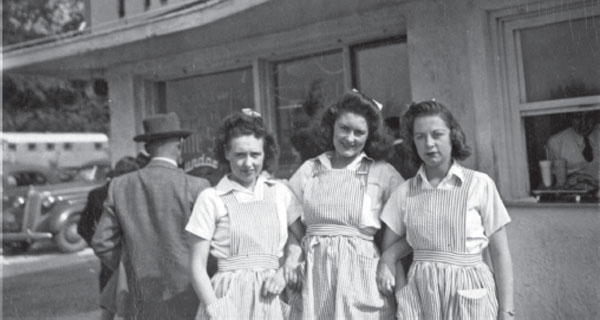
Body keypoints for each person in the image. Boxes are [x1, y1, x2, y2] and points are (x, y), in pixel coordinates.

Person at [378, 100, 514, 319]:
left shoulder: (480, 184)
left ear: (453, 136)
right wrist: (404, 299)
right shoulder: (404, 192)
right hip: (421, 300)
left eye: (437, 134)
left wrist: (506, 311)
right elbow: (390, 252)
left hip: (470, 297)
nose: (429, 144)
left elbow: (500, 253)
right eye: (420, 137)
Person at [287, 90, 403, 320]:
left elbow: (415, 223)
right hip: (314, 276)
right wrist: (293, 253)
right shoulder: (310, 169)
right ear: (332, 127)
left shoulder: (381, 172)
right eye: (344, 128)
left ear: (370, 136)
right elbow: (288, 222)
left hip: (362, 277)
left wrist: (390, 256)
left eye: (359, 132)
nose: (350, 138)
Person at [92, 112, 211, 319]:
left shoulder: (120, 186)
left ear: (147, 148)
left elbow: (102, 241)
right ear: (179, 145)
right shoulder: (196, 186)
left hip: (140, 294)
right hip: (188, 293)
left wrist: (130, 268)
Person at [187, 109, 304, 319]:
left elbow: (301, 237)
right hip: (227, 301)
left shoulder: (280, 192)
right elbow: (197, 266)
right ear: (226, 153)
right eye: (240, 155)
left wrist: (285, 269)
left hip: (274, 297)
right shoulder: (211, 198)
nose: (248, 163)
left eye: (255, 154)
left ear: (265, 153)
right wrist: (217, 309)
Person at [77, 156, 140, 320]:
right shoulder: (102, 195)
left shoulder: (98, 193)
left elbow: (83, 227)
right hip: (118, 256)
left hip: (110, 255)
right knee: (121, 306)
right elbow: (83, 226)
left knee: (112, 308)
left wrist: (101, 246)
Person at [547, 110, 599, 188]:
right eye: (577, 117)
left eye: (588, 116)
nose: (583, 124)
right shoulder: (556, 143)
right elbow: (551, 184)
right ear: (570, 118)